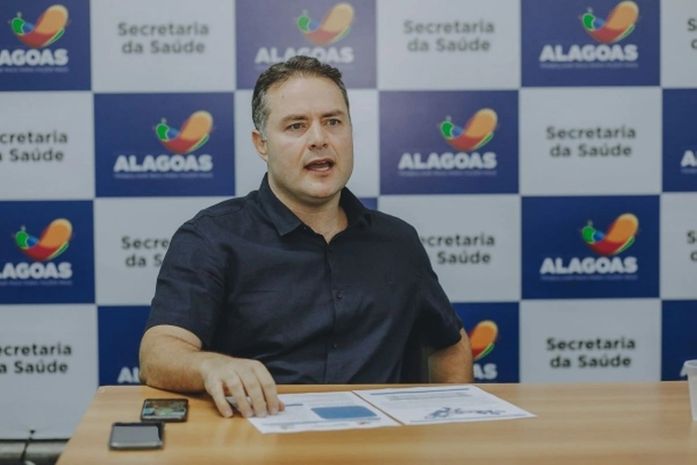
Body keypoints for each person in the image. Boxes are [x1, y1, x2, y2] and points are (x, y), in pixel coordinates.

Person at [139, 56, 473, 419]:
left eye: (333, 122)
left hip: (376, 442)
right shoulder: (210, 238)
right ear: (262, 144)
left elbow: (449, 346)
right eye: (296, 126)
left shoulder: (398, 242)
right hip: (257, 438)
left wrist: (449, 427)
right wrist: (211, 366)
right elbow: (158, 353)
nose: (319, 139)